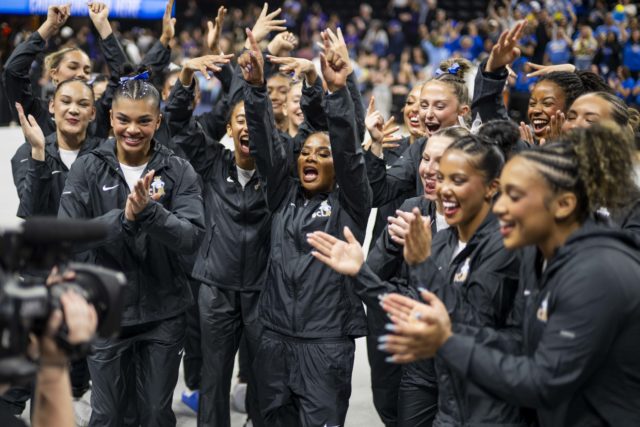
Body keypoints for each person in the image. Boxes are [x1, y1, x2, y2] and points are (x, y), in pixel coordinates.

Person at [380, 124, 640, 426]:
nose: (500, 207)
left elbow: (544, 381)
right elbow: (518, 342)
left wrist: (448, 342)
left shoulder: (597, 272)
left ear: (564, 204)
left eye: (514, 196)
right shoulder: (537, 257)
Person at [310, 134, 525, 426]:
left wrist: (422, 260)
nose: (441, 185)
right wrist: (360, 272)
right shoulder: (438, 234)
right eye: (428, 163)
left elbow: (464, 320)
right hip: (424, 373)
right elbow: (413, 304)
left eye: (456, 179)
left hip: (478, 383)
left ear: (491, 187)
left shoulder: (507, 243)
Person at [58, 77, 205, 427]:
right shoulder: (87, 167)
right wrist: (123, 218)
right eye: (124, 119)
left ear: (158, 121)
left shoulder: (178, 169)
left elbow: (192, 237)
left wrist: (150, 213)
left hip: (164, 313)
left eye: (143, 121)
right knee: (107, 415)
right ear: (111, 118)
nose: (133, 129)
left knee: (155, 414)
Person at [241, 28, 371, 425]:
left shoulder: (351, 202)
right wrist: (255, 89)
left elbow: (350, 151)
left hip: (325, 342)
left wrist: (337, 92)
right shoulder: (283, 195)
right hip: (274, 338)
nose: (311, 158)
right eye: (306, 153)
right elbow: (265, 146)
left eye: (323, 154)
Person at [364, 126, 469, 427]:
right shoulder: (413, 208)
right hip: (418, 370)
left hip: (464, 364)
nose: (429, 170)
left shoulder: (482, 221)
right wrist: (391, 244)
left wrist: (422, 255)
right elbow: (371, 278)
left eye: (441, 160)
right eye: (425, 159)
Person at [2, 1, 174, 139]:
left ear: (91, 113)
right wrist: (49, 27)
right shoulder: (36, 113)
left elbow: (125, 80)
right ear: (54, 73)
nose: (81, 74)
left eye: (86, 70)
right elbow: (12, 71)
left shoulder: (98, 115)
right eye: (73, 66)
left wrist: (103, 25)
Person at [365, 58, 473, 209]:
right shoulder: (420, 147)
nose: (428, 114)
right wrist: (376, 144)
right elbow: (377, 194)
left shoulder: (475, 151)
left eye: (439, 106)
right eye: (424, 105)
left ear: (462, 111)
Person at [11, 78, 101, 218]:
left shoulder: (105, 152)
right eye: (65, 101)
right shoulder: (27, 151)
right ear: (52, 106)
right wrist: (38, 152)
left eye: (83, 104)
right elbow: (31, 214)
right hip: (48, 233)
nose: (73, 110)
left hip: (93, 232)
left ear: (93, 113)